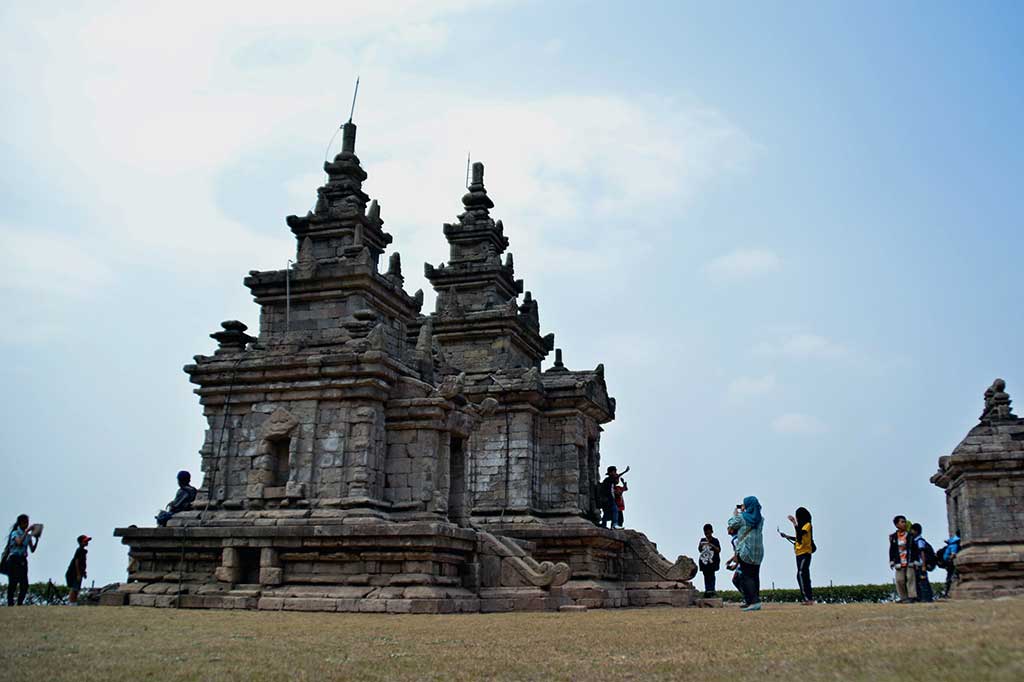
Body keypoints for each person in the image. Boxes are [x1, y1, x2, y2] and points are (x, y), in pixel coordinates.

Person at [727, 496, 765, 612]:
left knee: (746, 576)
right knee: (755, 576)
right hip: (758, 552)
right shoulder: (761, 519)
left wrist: (736, 513)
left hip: (746, 551)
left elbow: (731, 524)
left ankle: (753, 602)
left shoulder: (742, 517)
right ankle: (755, 600)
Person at [779, 506, 814, 605]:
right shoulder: (801, 526)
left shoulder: (807, 525)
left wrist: (794, 523)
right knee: (803, 575)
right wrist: (787, 536)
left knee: (801, 574)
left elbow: (801, 533)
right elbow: (798, 538)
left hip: (805, 553)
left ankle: (807, 598)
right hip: (799, 553)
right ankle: (807, 598)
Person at [6, 514, 39, 606]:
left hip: (23, 560)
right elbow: (19, 542)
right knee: (13, 583)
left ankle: (20, 603)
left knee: (24, 584)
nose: (27, 525)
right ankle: (10, 604)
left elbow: (32, 549)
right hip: (14, 560)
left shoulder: (28, 536)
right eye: (25, 523)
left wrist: (36, 540)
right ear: (21, 523)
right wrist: (26, 532)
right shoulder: (15, 533)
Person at [888, 515, 920, 603]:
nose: (904, 524)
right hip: (899, 562)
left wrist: (916, 560)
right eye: (902, 522)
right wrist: (891, 561)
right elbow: (892, 550)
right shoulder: (894, 537)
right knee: (899, 580)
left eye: (904, 522)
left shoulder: (910, 535)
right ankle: (903, 598)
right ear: (896, 524)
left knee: (910, 578)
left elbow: (915, 549)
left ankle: (912, 597)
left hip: (909, 560)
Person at [910, 523, 935, 602]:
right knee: (921, 581)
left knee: (923, 581)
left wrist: (923, 565)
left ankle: (926, 598)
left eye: (912, 530)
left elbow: (922, 553)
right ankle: (923, 597)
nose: (911, 532)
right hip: (920, 564)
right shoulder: (916, 540)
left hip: (921, 564)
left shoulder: (919, 541)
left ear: (916, 531)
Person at [65, 535, 91, 605]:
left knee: (77, 588)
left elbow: (82, 564)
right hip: (74, 572)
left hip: (79, 572)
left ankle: (74, 602)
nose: (87, 542)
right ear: (80, 542)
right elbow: (76, 562)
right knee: (74, 588)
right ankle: (71, 602)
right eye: (85, 541)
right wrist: (78, 574)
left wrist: (84, 572)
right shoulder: (79, 550)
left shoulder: (83, 551)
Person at [698, 523, 721, 597]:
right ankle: (707, 591)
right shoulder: (702, 540)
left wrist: (711, 544)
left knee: (712, 576)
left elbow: (718, 550)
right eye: (705, 533)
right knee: (706, 576)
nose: (707, 534)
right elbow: (699, 550)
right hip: (704, 562)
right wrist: (702, 545)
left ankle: (712, 590)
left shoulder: (715, 540)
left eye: (708, 532)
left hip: (712, 562)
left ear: (711, 531)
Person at [939, 531, 961, 597]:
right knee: (952, 576)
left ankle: (946, 592)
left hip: (946, 561)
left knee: (949, 576)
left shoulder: (952, 540)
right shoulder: (955, 543)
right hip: (950, 562)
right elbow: (953, 554)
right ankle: (948, 592)